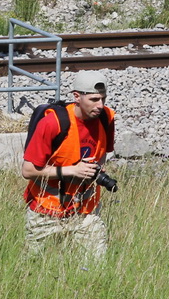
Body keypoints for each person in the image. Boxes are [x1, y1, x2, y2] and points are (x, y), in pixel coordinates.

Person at [21, 70, 116, 259]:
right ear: (77, 97)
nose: (101, 105)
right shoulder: (52, 123)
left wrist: (94, 170)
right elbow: (28, 170)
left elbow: (103, 153)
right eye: (94, 99)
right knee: (34, 269)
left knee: (97, 269)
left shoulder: (106, 118)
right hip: (46, 211)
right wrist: (73, 170)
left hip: (86, 212)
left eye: (103, 99)